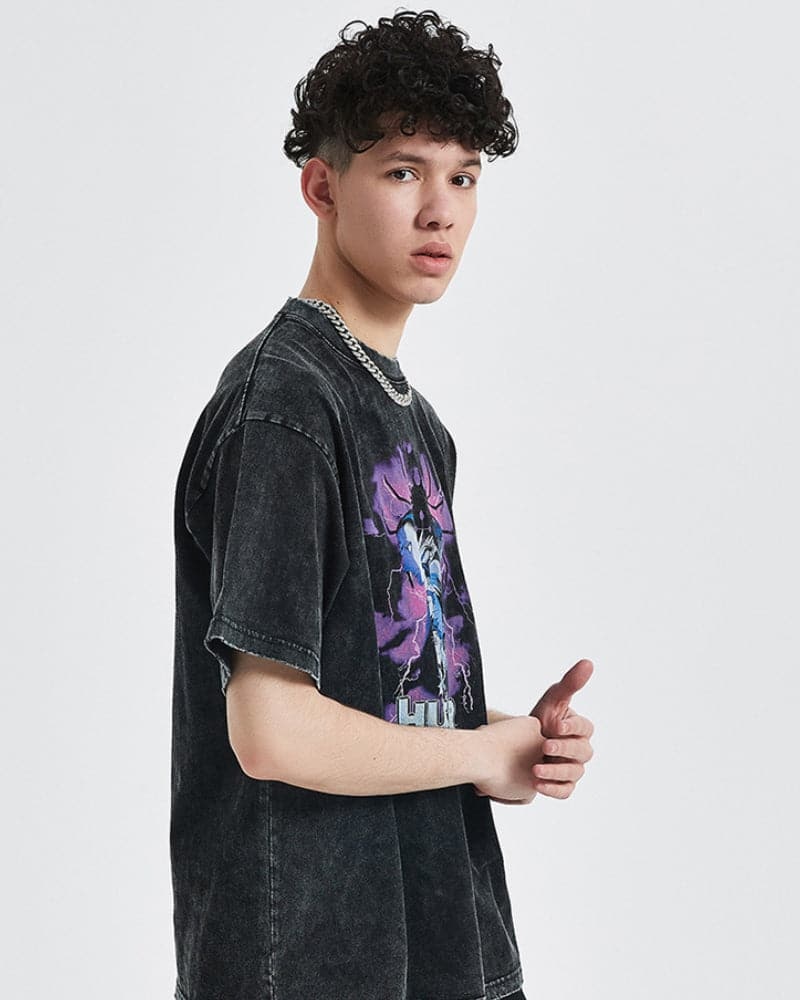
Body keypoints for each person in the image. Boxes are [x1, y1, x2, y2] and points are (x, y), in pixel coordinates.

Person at [170, 9, 595, 1000]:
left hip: (439, 944)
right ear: (321, 187)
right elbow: (270, 728)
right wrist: (477, 750)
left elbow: (375, 695)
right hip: (311, 962)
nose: (440, 211)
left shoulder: (413, 422)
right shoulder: (285, 406)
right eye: (404, 171)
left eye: (464, 176)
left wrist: (511, 744)